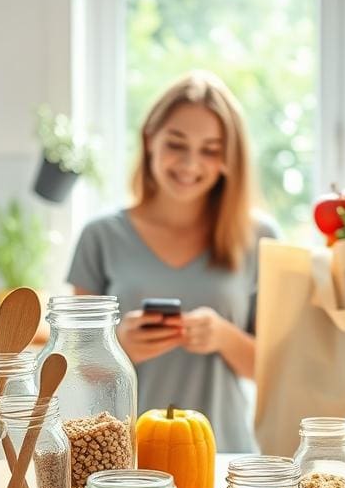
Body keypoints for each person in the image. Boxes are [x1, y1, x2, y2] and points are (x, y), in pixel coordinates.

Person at [67, 70, 278, 452]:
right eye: (176, 144)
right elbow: (76, 370)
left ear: (229, 159)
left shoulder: (259, 238)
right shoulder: (101, 236)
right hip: (124, 458)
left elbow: (275, 371)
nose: (189, 164)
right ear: (150, 141)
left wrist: (222, 336)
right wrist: (120, 344)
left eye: (210, 150)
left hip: (225, 457)